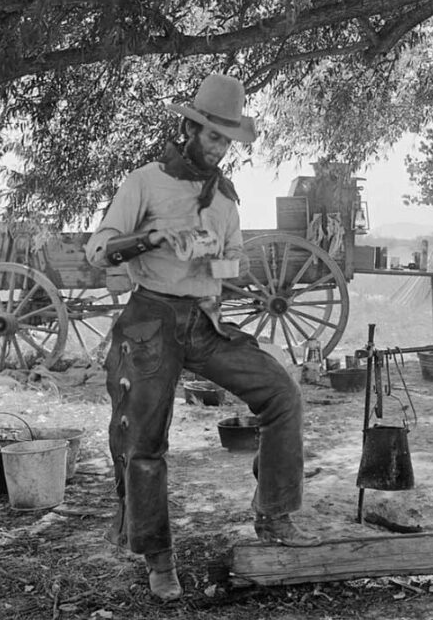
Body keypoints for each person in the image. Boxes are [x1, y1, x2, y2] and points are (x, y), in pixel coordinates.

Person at [83, 74, 320, 602]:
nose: (219, 149)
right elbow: (98, 250)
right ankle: (158, 558)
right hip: (149, 320)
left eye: (226, 141)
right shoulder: (143, 182)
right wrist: (149, 238)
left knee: (282, 393)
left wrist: (216, 255)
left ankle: (275, 515)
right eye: (212, 136)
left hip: (203, 321)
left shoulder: (226, 199)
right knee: (144, 442)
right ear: (189, 128)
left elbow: (232, 263)